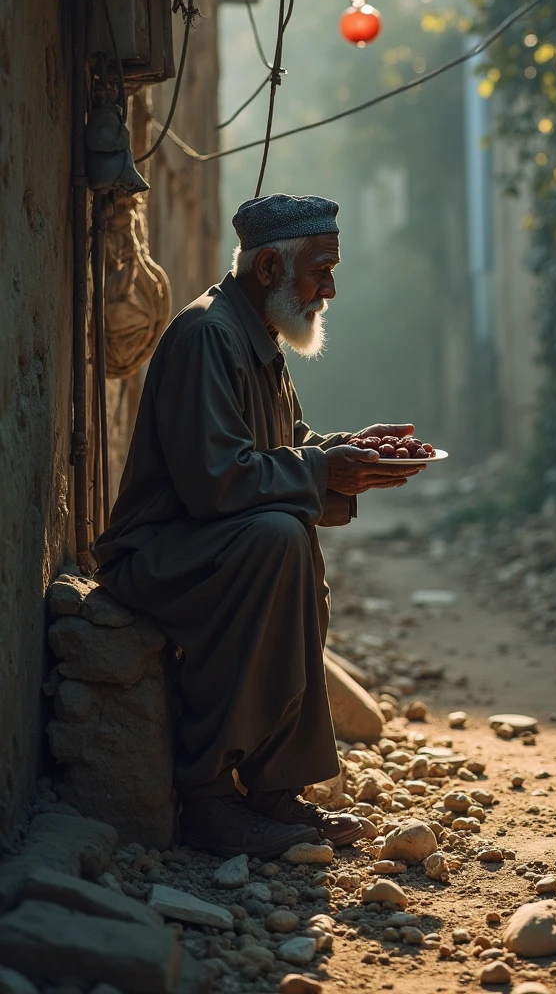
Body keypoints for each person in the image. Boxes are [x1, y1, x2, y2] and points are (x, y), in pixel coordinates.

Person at [94, 193, 424, 859]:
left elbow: (287, 449)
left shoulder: (260, 337)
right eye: (319, 271)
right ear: (269, 267)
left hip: (213, 545)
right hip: (156, 555)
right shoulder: (206, 336)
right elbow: (216, 480)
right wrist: (319, 470)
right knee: (277, 537)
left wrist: (352, 454)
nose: (330, 288)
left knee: (288, 536)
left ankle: (276, 791)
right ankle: (209, 798)